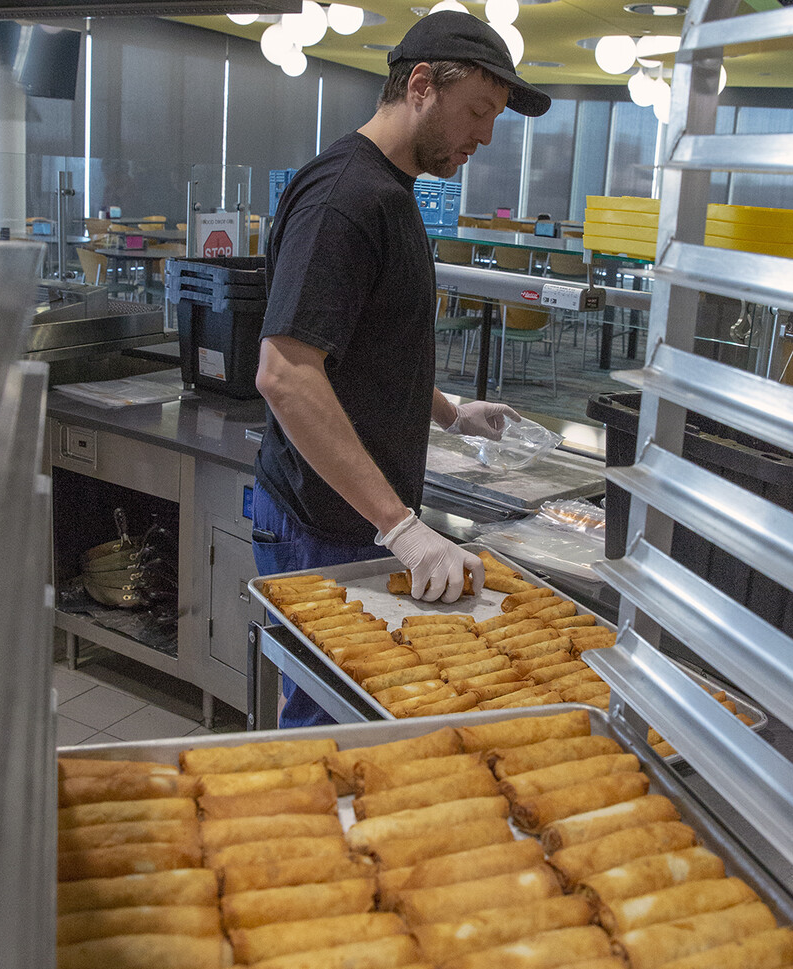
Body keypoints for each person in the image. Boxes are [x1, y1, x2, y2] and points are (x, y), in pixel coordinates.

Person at [252, 10, 552, 728]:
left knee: (358, 718)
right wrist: (401, 528)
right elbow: (287, 374)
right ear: (421, 84)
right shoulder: (344, 199)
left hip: (357, 518)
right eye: (477, 112)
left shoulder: (391, 191)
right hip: (324, 520)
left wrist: (449, 411)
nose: (484, 136)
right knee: (329, 721)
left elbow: (368, 348)